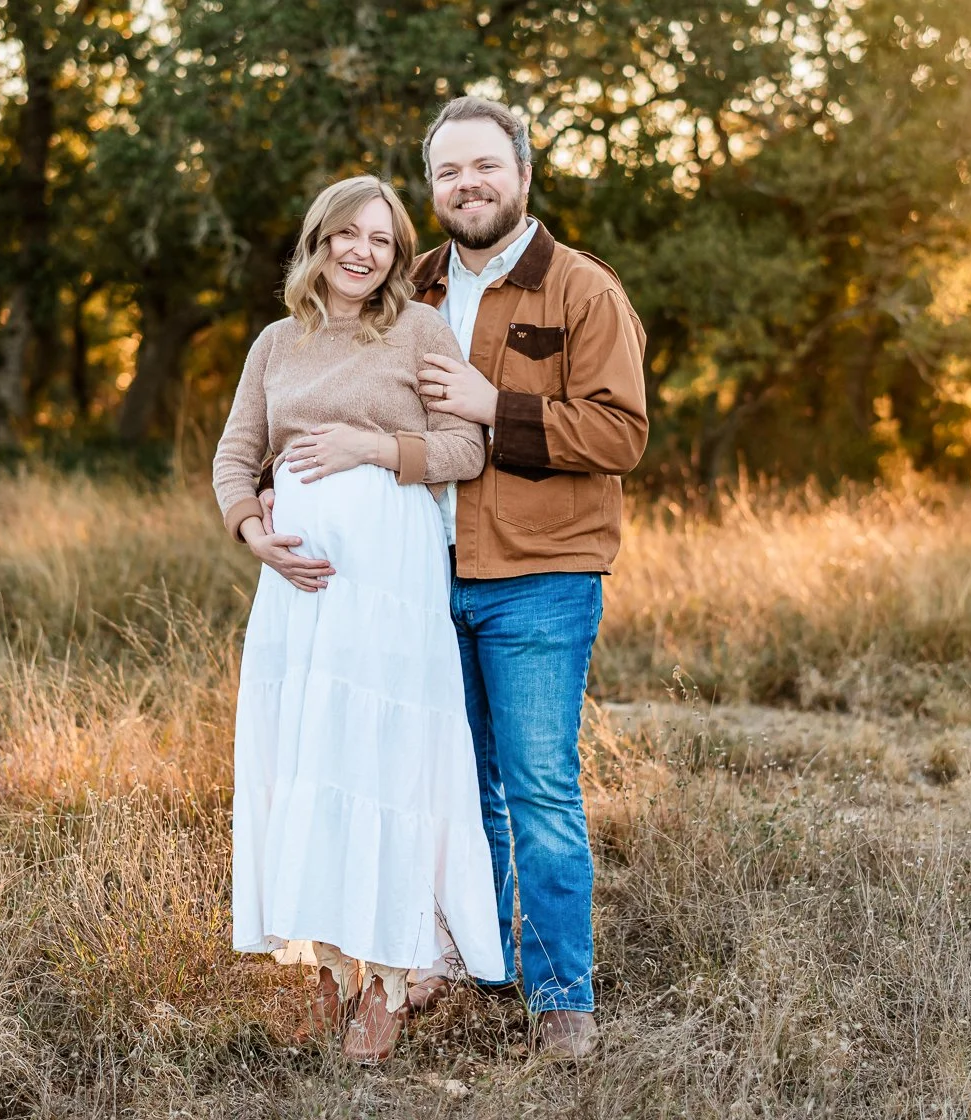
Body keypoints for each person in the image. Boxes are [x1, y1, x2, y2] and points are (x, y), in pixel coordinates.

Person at [212, 174, 505, 1064]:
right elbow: (235, 455)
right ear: (320, 240)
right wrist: (254, 532)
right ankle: (336, 963)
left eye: (381, 240)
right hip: (299, 589)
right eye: (348, 234)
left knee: (381, 758)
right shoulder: (276, 342)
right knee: (312, 756)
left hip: (388, 575)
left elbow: (465, 448)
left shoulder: (420, 330)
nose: (363, 252)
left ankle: (391, 972)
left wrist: (369, 448)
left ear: (396, 254)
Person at [409, 96, 649, 1058]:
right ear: (433, 188)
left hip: (540, 580)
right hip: (425, 576)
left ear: (522, 174)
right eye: (448, 172)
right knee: (454, 787)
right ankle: (476, 963)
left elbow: (620, 435)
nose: (466, 185)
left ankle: (562, 998)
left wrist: (492, 404)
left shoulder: (582, 290)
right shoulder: (412, 289)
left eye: (484, 167)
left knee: (540, 789)